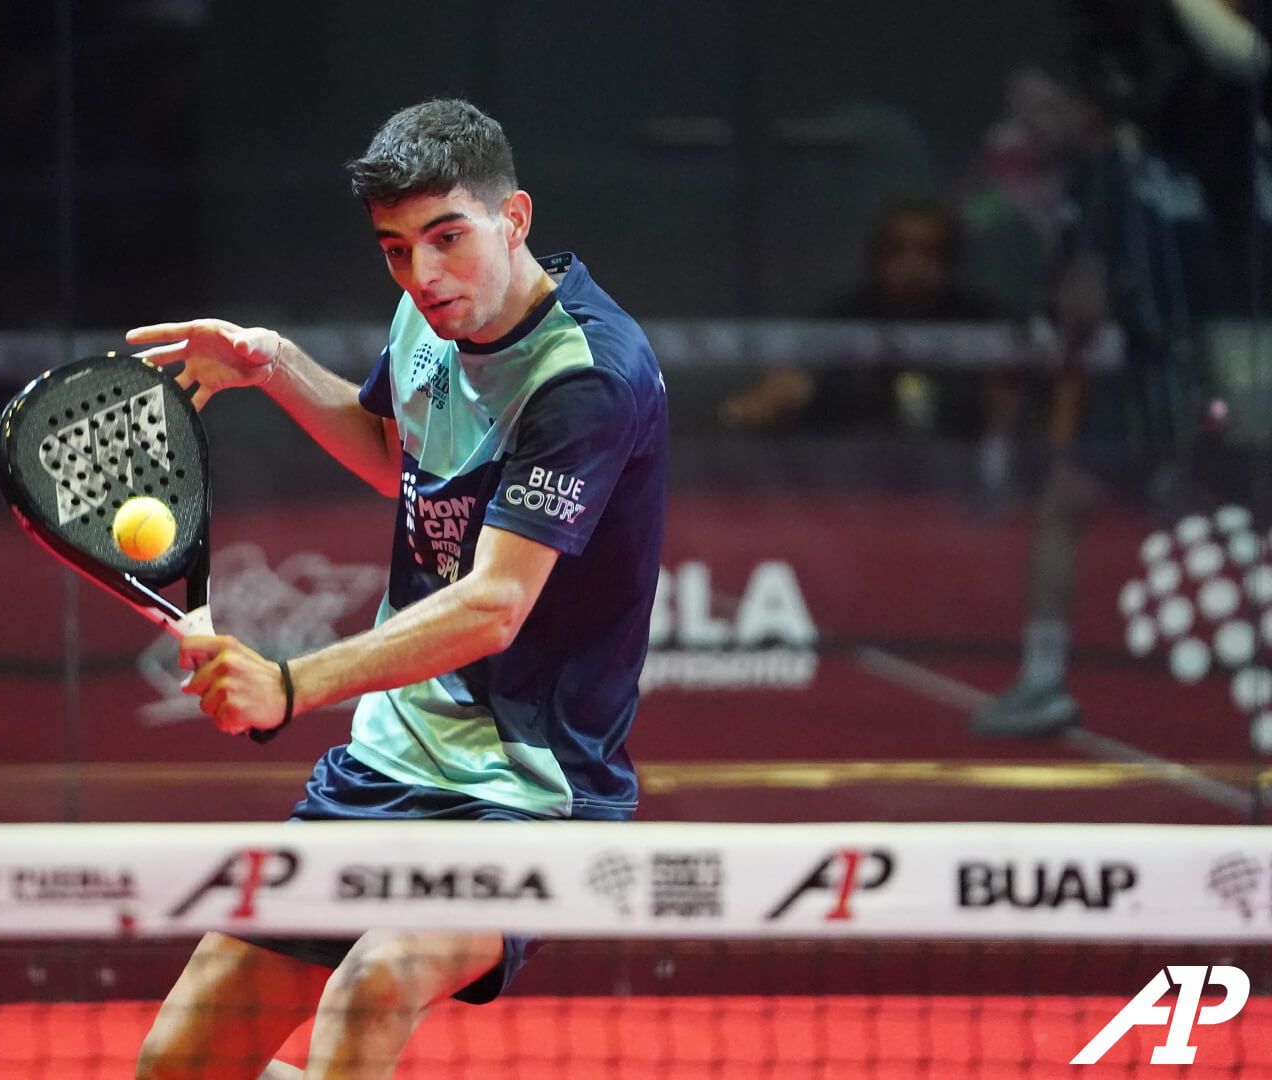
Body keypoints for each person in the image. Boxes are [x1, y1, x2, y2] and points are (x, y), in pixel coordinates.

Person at [126, 99, 668, 1080]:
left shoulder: (587, 377)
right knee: (178, 1067)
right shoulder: (427, 320)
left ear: (516, 218)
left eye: (448, 239)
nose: (424, 276)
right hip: (384, 771)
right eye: (395, 250)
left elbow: (496, 606)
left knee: (373, 986)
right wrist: (273, 363)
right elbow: (393, 455)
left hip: (531, 795)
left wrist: (291, 686)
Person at [972, 0, 1265, 737]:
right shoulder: (1209, 155)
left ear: (1093, 100)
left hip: (1156, 381)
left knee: (1063, 506)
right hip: (1237, 363)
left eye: (1063, 99)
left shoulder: (1106, 175)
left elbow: (1084, 305)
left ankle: (1041, 680)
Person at [719, 201, 1003, 436]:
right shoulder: (840, 323)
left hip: (956, 485)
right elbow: (780, 390)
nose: (912, 265)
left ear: (951, 261)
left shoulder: (983, 326)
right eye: (897, 250)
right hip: (851, 485)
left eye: (928, 252)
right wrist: (749, 410)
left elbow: (1007, 413)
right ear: (874, 257)